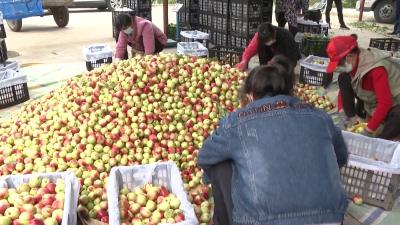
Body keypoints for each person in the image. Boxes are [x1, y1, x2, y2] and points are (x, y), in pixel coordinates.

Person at [198, 57, 349, 225]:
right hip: (330, 218)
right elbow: (341, 157)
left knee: (220, 163)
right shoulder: (320, 116)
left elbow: (204, 157)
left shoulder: (238, 121)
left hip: (263, 221)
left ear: (250, 95)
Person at [326, 35, 400, 140]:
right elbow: (343, 91)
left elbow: (385, 102)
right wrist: (342, 110)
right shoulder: (354, 63)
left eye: (339, 63)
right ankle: (352, 118)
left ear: (350, 56)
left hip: (395, 102)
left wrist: (368, 131)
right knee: (343, 77)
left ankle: (381, 140)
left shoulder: (376, 69)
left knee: (397, 116)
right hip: (373, 99)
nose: (338, 67)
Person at [235, 23, 301, 72]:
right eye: (266, 41)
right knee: (261, 49)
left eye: (270, 39)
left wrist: (273, 63)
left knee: (281, 73)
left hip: (287, 57)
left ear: (274, 32)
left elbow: (291, 58)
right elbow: (250, 50)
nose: (269, 41)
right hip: (270, 55)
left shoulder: (286, 36)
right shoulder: (259, 37)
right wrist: (244, 61)